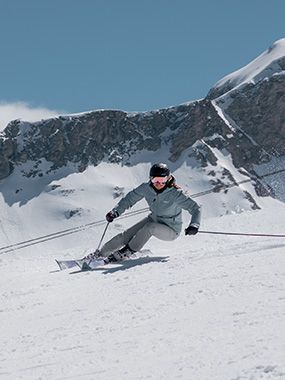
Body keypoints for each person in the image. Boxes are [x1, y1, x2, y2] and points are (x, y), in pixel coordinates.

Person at [89, 163, 201, 262]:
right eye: (155, 180)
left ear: (168, 179)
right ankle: (101, 254)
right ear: (150, 178)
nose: (158, 183)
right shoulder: (146, 188)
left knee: (150, 227)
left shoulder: (176, 193)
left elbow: (195, 208)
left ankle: (127, 252)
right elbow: (129, 198)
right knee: (126, 235)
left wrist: (194, 225)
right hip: (154, 219)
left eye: (162, 180)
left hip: (171, 229)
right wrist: (115, 212)